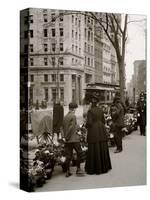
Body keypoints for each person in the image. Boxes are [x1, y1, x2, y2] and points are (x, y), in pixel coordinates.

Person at [85, 96, 112, 175]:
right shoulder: (100, 110)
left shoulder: (90, 111)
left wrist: (86, 125)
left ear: (91, 103)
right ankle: (104, 167)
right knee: (102, 147)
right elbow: (103, 121)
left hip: (93, 131)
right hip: (101, 130)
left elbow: (89, 123)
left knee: (94, 148)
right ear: (97, 103)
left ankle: (94, 168)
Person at [62, 102, 84, 177]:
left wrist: (64, 137)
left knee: (69, 156)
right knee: (80, 152)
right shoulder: (73, 116)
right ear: (74, 109)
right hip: (73, 139)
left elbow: (62, 127)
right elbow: (71, 128)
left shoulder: (65, 116)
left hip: (67, 140)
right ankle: (78, 169)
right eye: (76, 108)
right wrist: (67, 137)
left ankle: (68, 171)